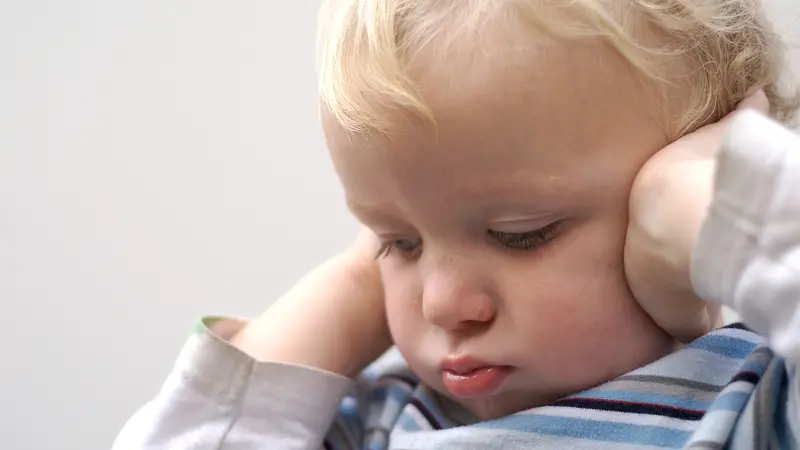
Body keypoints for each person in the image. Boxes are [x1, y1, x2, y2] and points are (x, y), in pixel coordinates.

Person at [113, 0, 800, 448]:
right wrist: (357, 283)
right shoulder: (376, 422)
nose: (442, 304)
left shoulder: (751, 404)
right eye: (398, 242)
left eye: (521, 233)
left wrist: (701, 198)